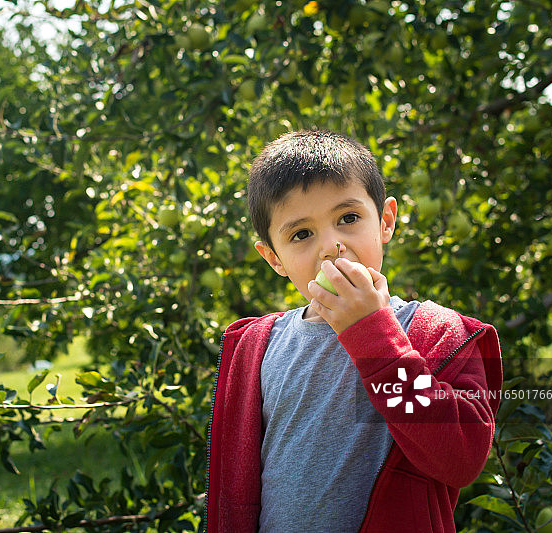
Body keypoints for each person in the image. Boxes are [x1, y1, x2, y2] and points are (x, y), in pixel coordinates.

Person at [205, 129, 502, 533]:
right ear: (274, 258)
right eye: (301, 234)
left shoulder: (435, 333)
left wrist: (373, 335)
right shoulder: (260, 346)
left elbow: (461, 458)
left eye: (348, 218)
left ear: (385, 221)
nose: (331, 245)